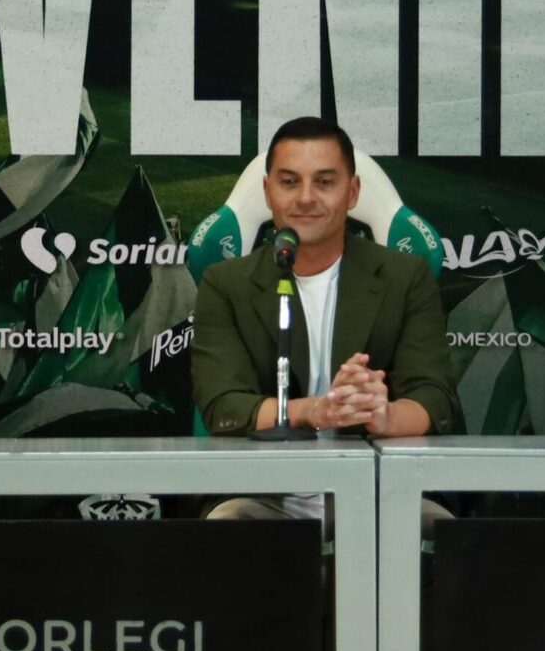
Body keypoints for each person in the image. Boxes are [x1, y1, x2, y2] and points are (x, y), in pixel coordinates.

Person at [191, 116, 461, 518]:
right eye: (289, 182)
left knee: (443, 531)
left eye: (324, 182)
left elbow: (435, 399)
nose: (305, 198)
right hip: (263, 495)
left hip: (381, 494)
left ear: (352, 192)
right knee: (227, 523)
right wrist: (315, 411)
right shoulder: (225, 284)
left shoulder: (405, 277)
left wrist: (381, 415)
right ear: (267, 192)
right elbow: (223, 407)